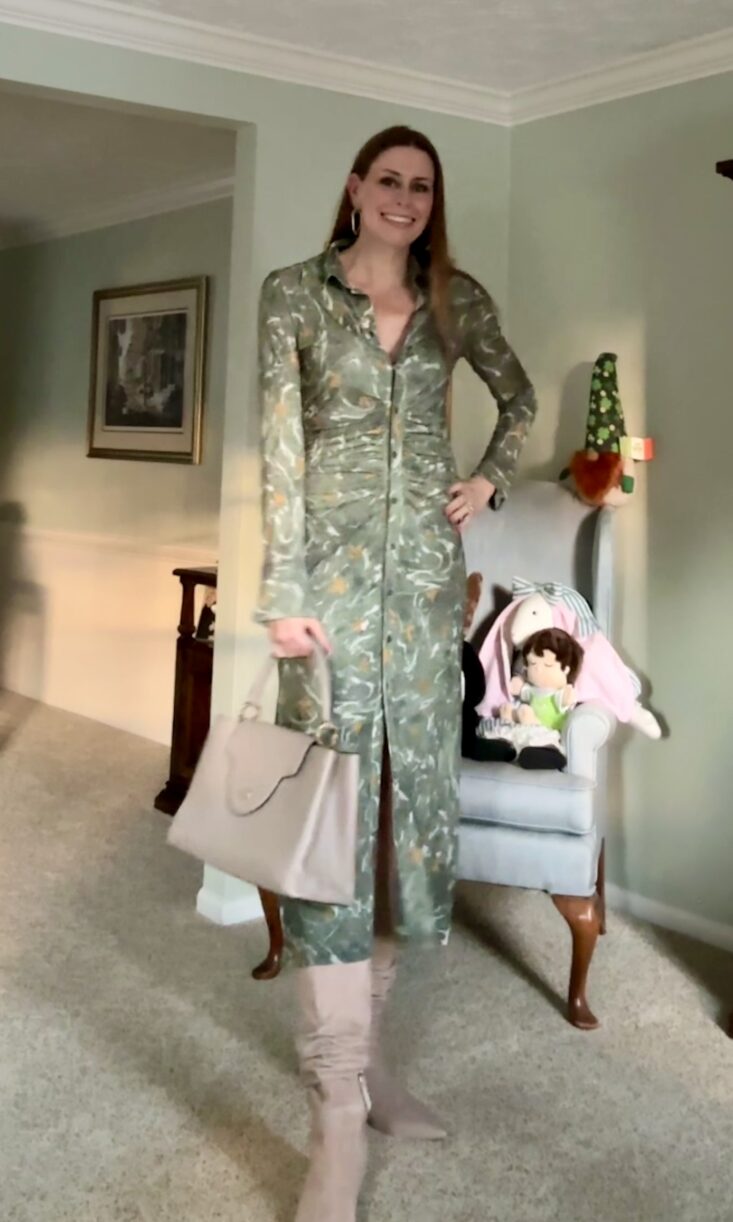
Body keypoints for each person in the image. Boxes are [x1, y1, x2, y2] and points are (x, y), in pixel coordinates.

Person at [255, 124, 537, 1222]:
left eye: (421, 186)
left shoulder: (455, 301)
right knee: (330, 828)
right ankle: (334, 1115)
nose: (404, 198)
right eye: (388, 180)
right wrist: (282, 593)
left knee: (399, 833)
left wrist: (487, 480)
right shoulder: (294, 295)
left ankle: (369, 1065)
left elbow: (516, 400)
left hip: (422, 600)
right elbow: (280, 448)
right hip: (324, 602)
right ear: (355, 187)